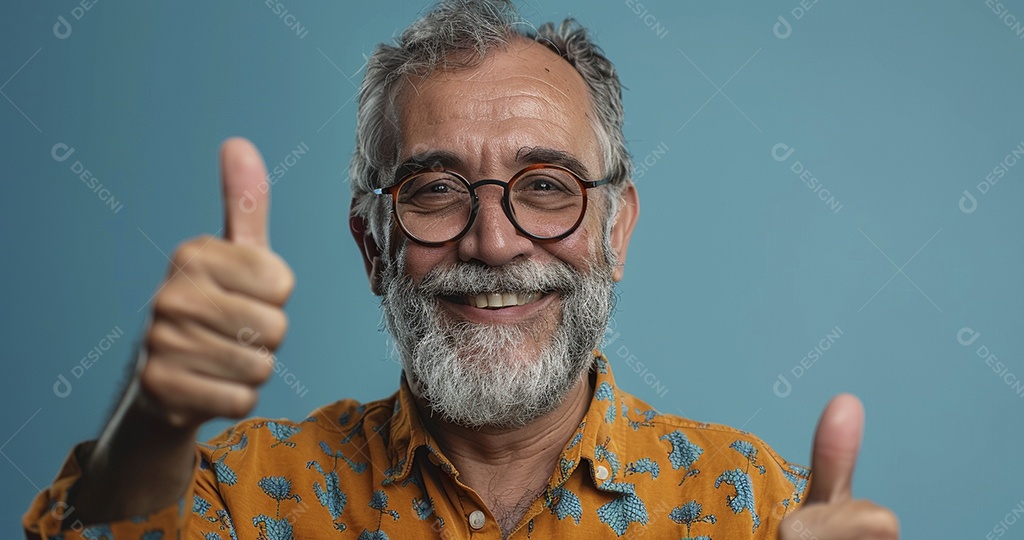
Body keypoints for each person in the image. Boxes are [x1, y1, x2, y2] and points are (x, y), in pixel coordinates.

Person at [24, 1, 898, 538]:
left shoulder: (759, 512)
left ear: (617, 229)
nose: (493, 241)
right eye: (436, 190)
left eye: (546, 186)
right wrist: (154, 422)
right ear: (374, 246)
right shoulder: (242, 499)